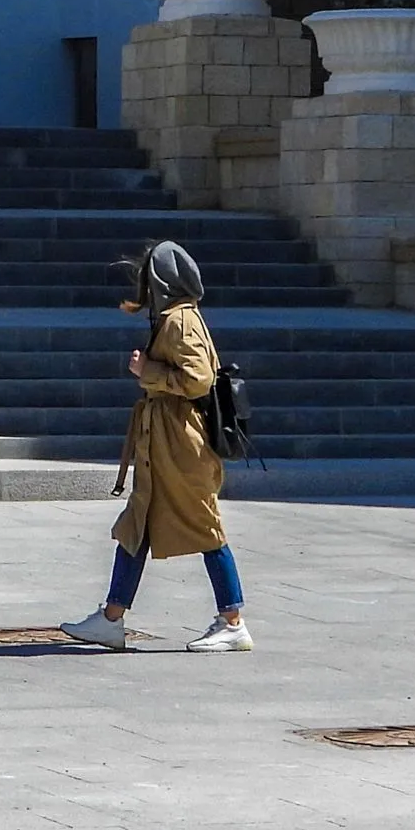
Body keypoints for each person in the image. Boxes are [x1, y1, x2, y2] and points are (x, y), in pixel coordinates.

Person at [60, 240, 252, 652]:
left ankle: (233, 621)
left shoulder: (180, 320)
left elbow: (198, 379)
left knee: (205, 526)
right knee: (137, 525)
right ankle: (112, 618)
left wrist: (147, 371)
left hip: (181, 445)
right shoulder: (174, 317)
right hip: (164, 441)